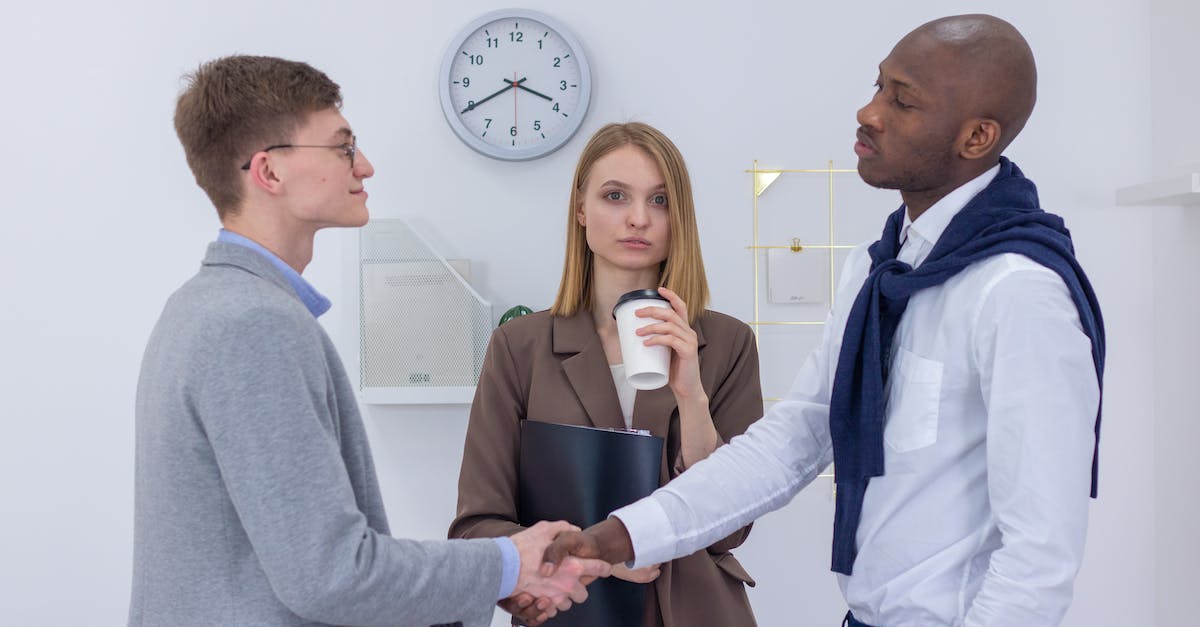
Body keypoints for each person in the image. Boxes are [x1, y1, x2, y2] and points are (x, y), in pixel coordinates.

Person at [544, 14, 1105, 627]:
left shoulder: (1019, 293)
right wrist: (618, 537)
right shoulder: (879, 269)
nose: (869, 112)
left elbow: (1039, 557)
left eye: (903, 100)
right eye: (878, 86)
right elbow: (795, 439)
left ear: (976, 138)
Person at [129, 54, 609, 627]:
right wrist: (508, 564)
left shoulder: (205, 306)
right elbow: (331, 576)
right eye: (342, 147)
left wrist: (500, 573)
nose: (367, 166)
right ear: (269, 172)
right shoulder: (253, 325)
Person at [450, 122, 763, 626]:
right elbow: (476, 528)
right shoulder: (521, 347)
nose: (638, 218)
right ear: (580, 209)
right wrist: (599, 553)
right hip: (571, 611)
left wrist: (692, 397)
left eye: (660, 201)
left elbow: (729, 529)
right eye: (616, 196)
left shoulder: (726, 343)